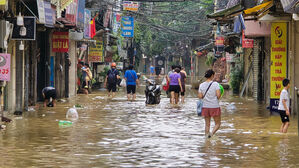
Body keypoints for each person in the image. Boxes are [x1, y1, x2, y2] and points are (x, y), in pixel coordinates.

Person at [198, 69, 221, 138]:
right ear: (212, 75)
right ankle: (211, 134)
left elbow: (200, 96)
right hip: (214, 106)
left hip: (205, 106)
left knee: (207, 124)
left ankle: (206, 138)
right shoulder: (216, 84)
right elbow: (218, 95)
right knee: (217, 123)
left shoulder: (201, 85)